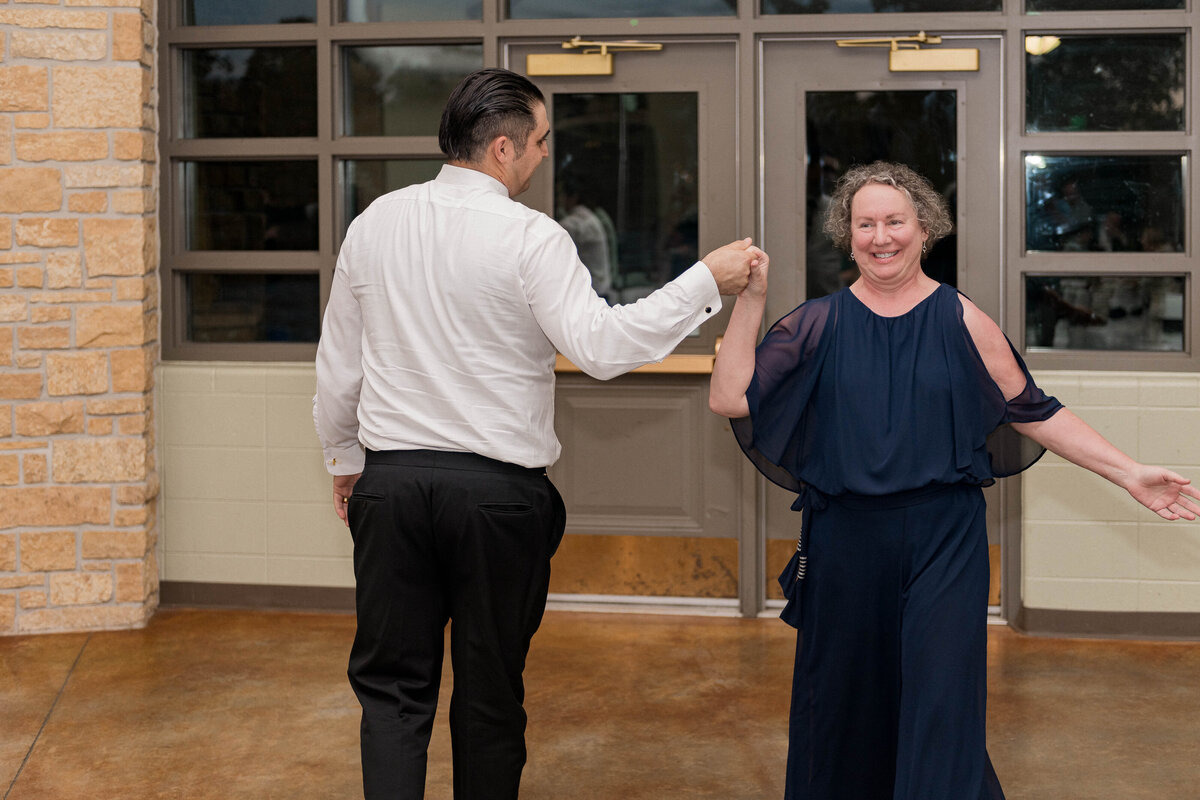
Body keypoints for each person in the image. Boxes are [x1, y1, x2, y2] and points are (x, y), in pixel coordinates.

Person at [313, 67, 763, 800]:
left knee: (391, 694)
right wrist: (706, 280)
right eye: (541, 142)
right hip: (495, 498)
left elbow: (339, 366)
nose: (545, 154)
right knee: (489, 692)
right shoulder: (531, 236)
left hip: (390, 489)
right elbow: (603, 347)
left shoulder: (374, 225)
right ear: (500, 148)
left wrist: (343, 459)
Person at [708, 160, 1200, 800]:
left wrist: (1129, 472)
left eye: (895, 221)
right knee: (844, 706)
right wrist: (750, 300)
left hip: (945, 541)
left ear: (924, 228)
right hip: (844, 544)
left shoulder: (961, 318)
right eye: (865, 224)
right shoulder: (816, 324)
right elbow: (729, 398)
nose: (881, 237)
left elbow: (1035, 411)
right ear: (846, 233)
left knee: (942, 703)